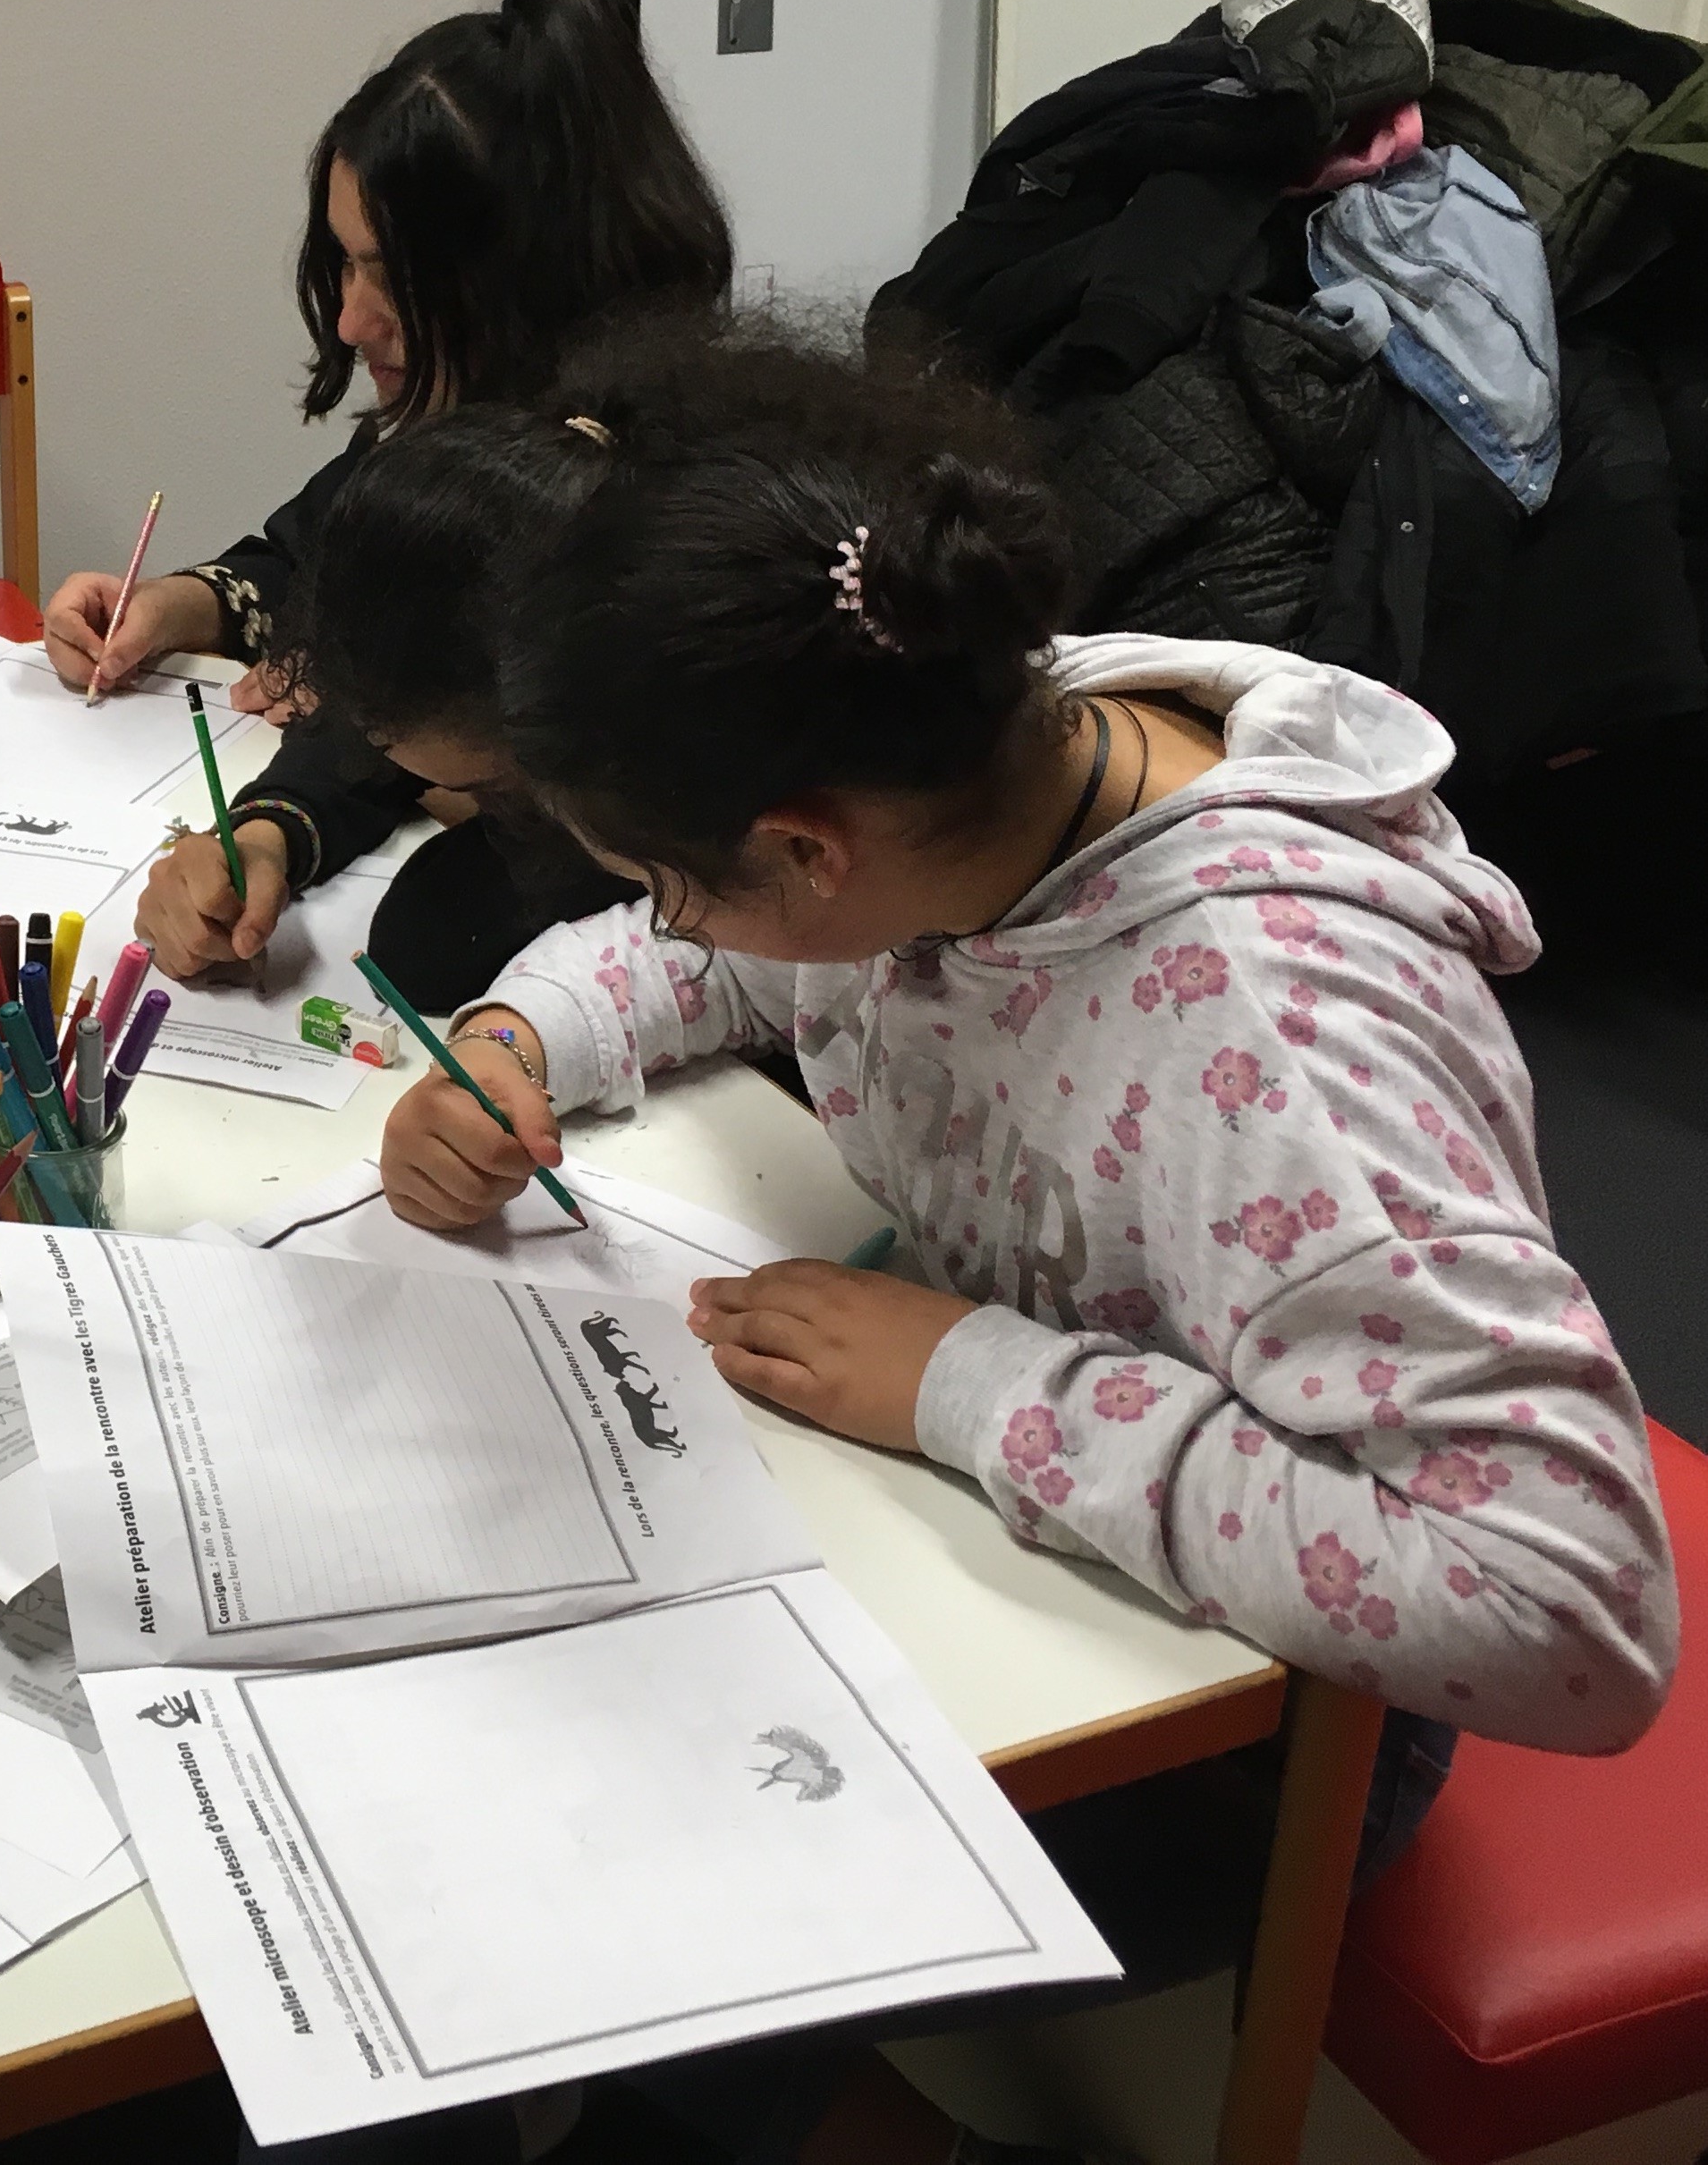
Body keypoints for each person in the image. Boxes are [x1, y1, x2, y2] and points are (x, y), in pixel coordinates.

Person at [283, 320, 1676, 2163]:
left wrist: (969, 1377)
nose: (662, 921)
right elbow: (714, 943)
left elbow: (1561, 1603)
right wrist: (539, 1029)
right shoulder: (942, 737)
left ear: (807, 848)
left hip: (1247, 1733)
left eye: (661, 874)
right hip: (997, 1549)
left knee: (594, 1895)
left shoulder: (1276, 1046)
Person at [38, 0, 731, 1010]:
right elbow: (310, 553)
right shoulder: (463, 410)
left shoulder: (643, 511)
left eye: (392, 280)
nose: (354, 322)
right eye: (343, 264)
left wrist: (392, 762)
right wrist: (179, 610)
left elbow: (468, 835)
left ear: (523, 277)